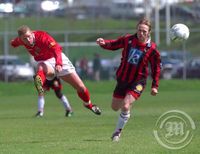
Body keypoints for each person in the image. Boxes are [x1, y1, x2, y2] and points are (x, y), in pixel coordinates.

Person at [10, 25, 101, 116]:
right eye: (24, 39)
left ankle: (88, 104)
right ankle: (39, 82)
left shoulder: (42, 37)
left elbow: (56, 49)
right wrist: (13, 43)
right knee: (40, 66)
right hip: (45, 62)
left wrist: (58, 63)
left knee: (81, 88)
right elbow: (14, 43)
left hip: (57, 57)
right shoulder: (21, 40)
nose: (28, 40)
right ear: (21, 39)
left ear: (32, 34)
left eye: (29, 37)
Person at [96, 18, 161, 141]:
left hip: (138, 82)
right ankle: (126, 111)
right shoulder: (128, 40)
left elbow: (156, 68)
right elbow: (114, 44)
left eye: (144, 31)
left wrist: (155, 86)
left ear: (149, 33)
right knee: (115, 107)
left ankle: (117, 133)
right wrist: (103, 43)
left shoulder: (152, 49)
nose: (141, 33)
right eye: (139, 30)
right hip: (123, 79)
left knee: (125, 106)